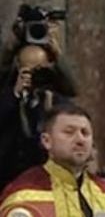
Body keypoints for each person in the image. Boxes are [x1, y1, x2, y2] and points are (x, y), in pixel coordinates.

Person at [0, 38, 77, 190]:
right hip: (8, 179)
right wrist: (16, 93)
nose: (35, 76)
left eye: (40, 70)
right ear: (19, 70)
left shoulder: (58, 101)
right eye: (30, 71)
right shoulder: (8, 96)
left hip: (48, 181)